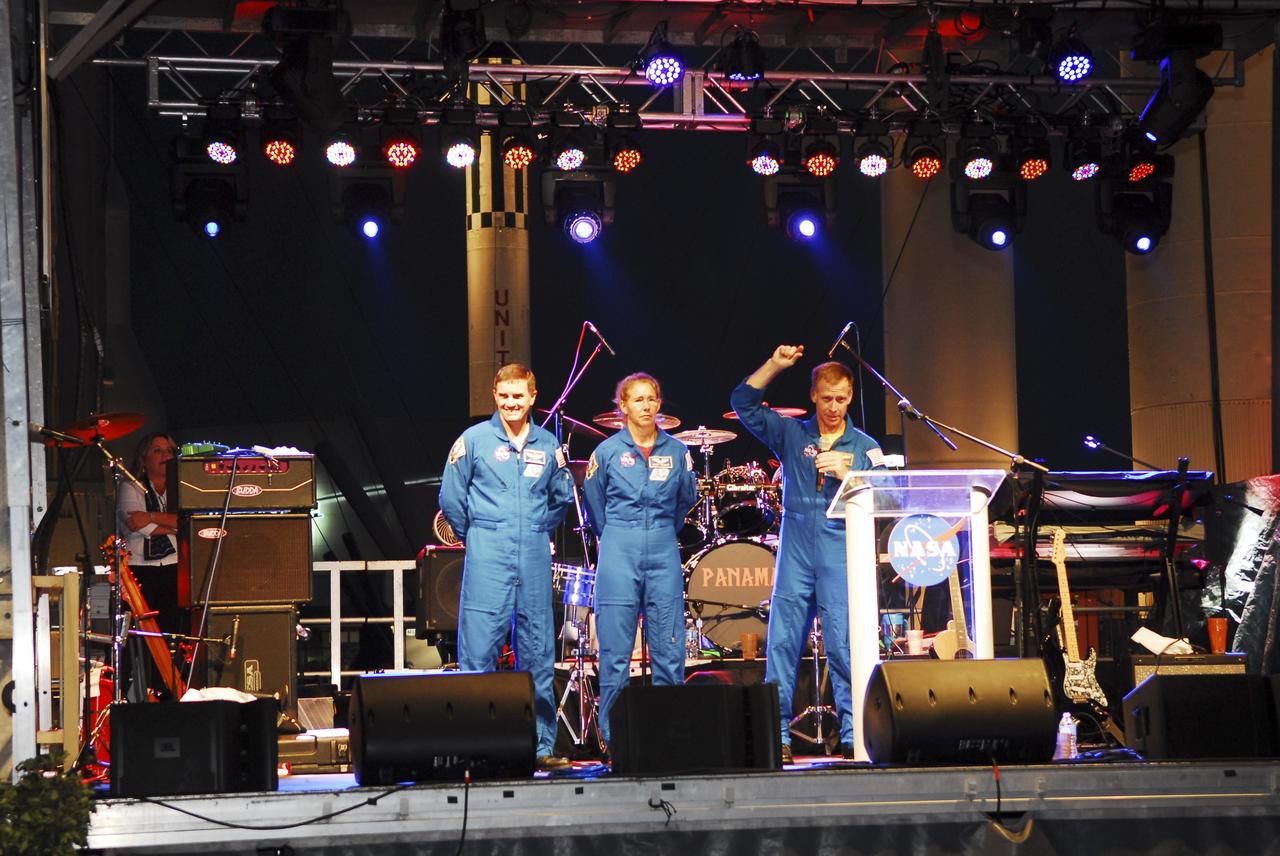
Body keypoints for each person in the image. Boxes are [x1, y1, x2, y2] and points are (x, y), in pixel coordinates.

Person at [731, 345, 885, 763]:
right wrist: (775, 365)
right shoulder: (793, 433)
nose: (834, 407)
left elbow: (889, 495)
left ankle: (855, 733)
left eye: (841, 399)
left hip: (839, 550)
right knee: (781, 644)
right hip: (797, 548)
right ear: (813, 395)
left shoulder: (866, 446)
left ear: (850, 396)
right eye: (826, 397)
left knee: (843, 648)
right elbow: (741, 403)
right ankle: (777, 734)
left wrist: (849, 473)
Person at [438, 363, 576, 773]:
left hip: (533, 552)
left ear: (533, 397)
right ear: (495, 397)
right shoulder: (474, 441)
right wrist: (478, 533)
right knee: (478, 651)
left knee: (537, 651)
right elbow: (450, 497)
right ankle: (476, 746)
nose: (511, 403)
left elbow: (562, 497)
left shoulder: (548, 444)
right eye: (504, 396)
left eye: (519, 396)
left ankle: (539, 748)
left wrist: (536, 527)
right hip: (487, 551)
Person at [583, 373, 698, 752]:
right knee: (615, 651)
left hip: (663, 545)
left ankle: (672, 735)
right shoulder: (607, 452)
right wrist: (619, 533)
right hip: (619, 545)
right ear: (623, 406)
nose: (646, 406)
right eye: (638, 400)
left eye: (652, 399)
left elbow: (685, 501)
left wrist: (662, 528)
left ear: (659, 403)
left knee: (669, 646)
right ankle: (616, 740)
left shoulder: (678, 451)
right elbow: (595, 505)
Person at [115, 431, 183, 698]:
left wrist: (152, 516)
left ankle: (168, 691)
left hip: (174, 569)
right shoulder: (131, 487)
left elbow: (186, 523)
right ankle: (133, 696)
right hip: (140, 571)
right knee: (138, 640)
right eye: (158, 451)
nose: (166, 456)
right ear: (144, 459)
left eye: (169, 451)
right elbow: (135, 525)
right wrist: (172, 523)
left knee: (170, 637)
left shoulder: (182, 488)